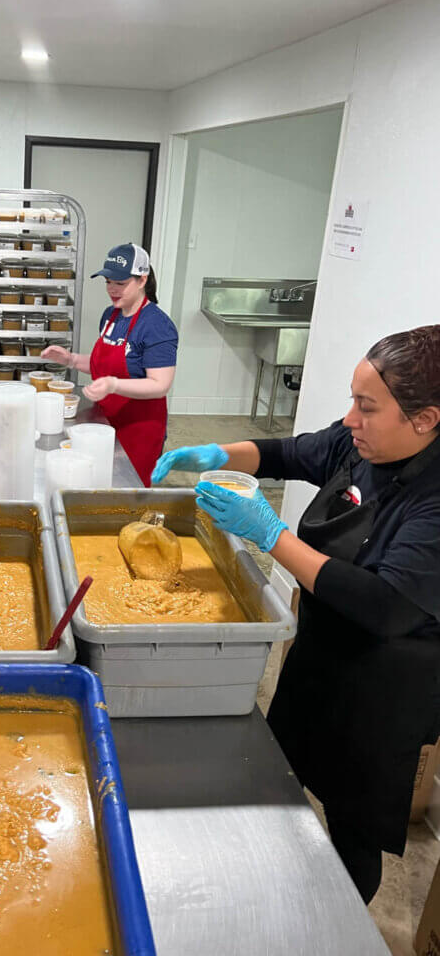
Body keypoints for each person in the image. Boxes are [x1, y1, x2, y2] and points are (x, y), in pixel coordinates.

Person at [152, 325, 440, 905]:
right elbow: (288, 452)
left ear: (425, 419)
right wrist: (219, 453)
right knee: (282, 773)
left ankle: (338, 923)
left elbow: (383, 606)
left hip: (383, 691)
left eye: (367, 407)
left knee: (351, 827)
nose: (350, 419)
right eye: (352, 400)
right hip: (321, 656)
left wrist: (270, 533)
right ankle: (276, 886)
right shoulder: (361, 441)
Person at [42, 243, 178, 486]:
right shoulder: (111, 315)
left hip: (138, 431)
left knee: (127, 494)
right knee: (98, 486)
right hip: (105, 423)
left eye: (120, 283)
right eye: (108, 282)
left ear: (142, 280)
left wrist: (114, 385)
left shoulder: (157, 325)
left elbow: (160, 384)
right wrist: (71, 359)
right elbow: (104, 366)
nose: (112, 290)